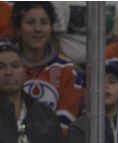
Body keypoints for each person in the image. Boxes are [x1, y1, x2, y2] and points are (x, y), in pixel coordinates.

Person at [0, 40, 64, 143]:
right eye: (1, 67)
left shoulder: (46, 115)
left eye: (15, 66)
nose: (8, 73)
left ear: (24, 72)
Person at [12, 1, 84, 129]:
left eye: (44, 23)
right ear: (18, 28)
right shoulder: (5, 68)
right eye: (30, 22)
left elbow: (65, 125)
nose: (38, 29)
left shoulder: (67, 71)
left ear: (51, 28)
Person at [67, 63, 118, 143]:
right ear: (86, 91)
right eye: (99, 82)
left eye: (112, 82)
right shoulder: (78, 128)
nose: (105, 86)